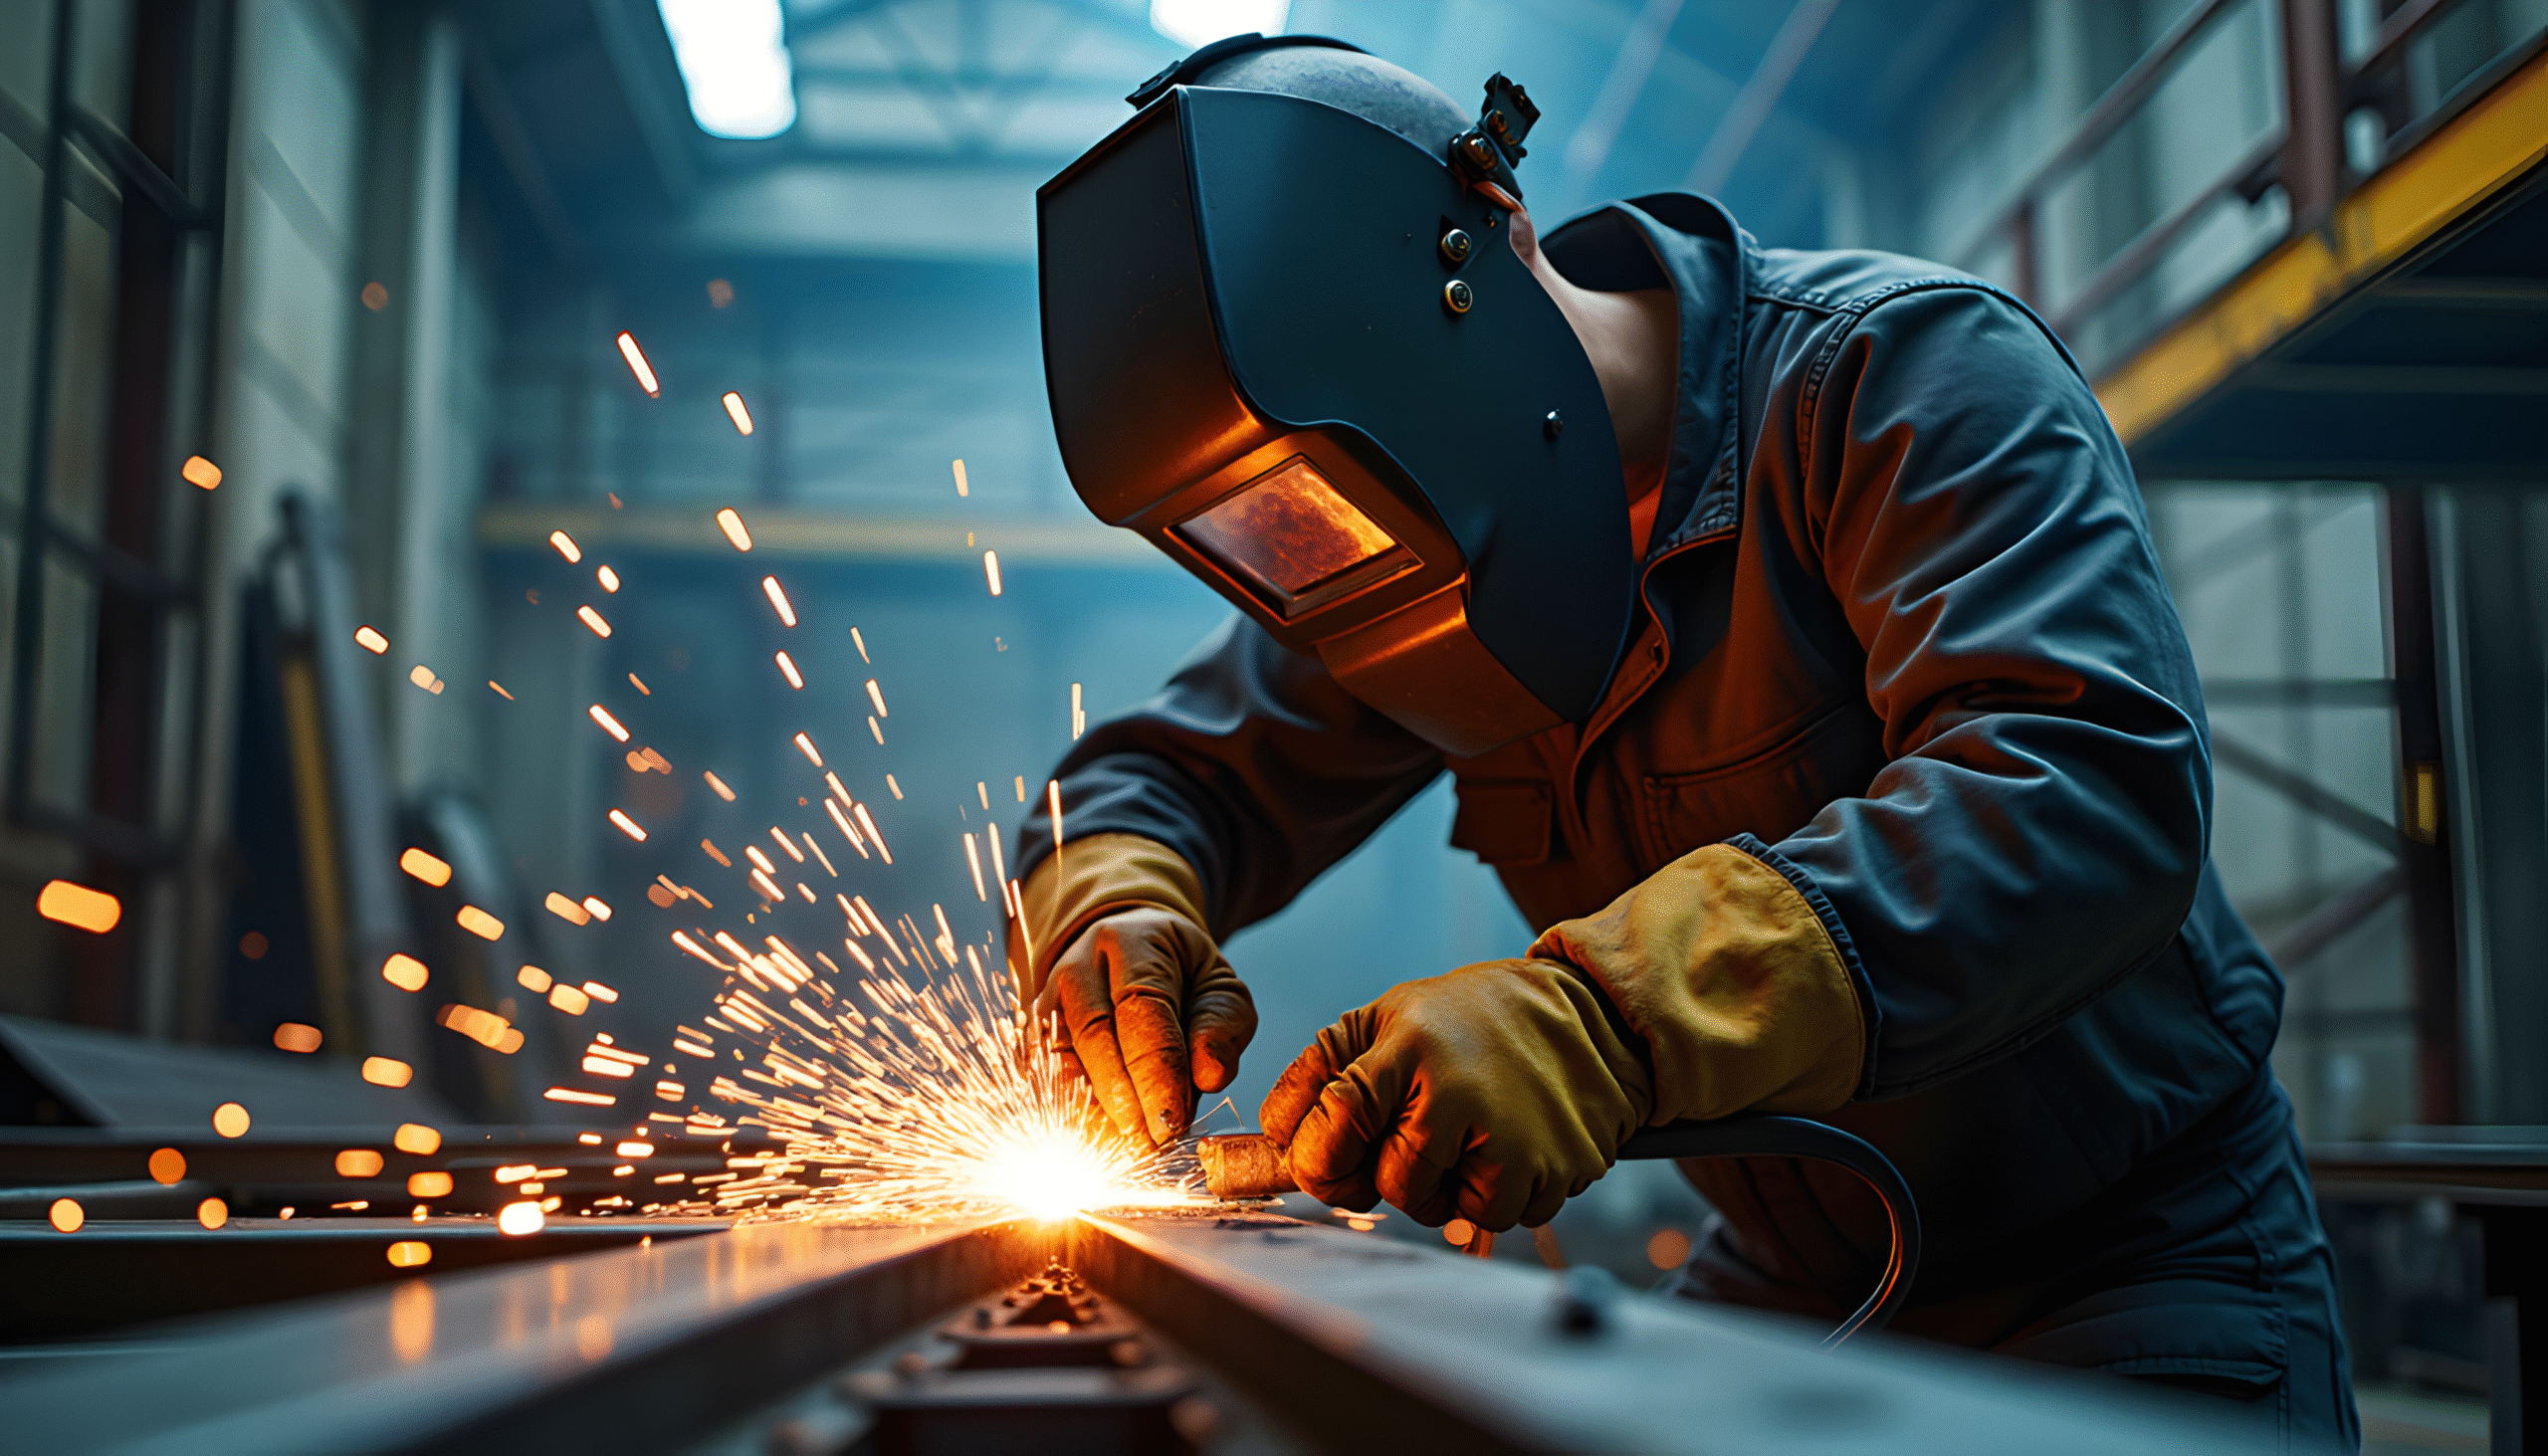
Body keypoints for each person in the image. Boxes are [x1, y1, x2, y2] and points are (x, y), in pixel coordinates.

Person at [1013, 35, 2355, 1449]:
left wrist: (1606, 1014)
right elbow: (1153, 781)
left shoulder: (1893, 378)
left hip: (2123, 1256)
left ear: (1491, 248)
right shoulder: (1384, 533)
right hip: (1791, 1266)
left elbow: (2086, 780)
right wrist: (1111, 905)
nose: (1364, 576)